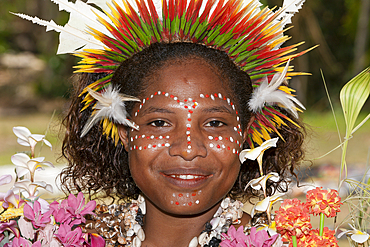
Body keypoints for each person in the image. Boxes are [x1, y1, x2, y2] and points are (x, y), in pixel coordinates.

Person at [16, 0, 308, 246]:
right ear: (124, 131)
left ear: (245, 135)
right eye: (159, 123)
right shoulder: (57, 237)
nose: (189, 148)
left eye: (215, 123)